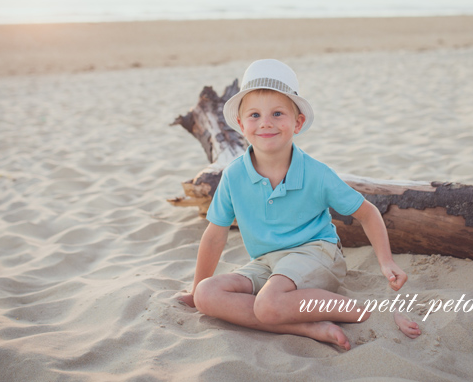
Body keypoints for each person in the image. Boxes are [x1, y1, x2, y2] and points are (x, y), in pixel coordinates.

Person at [178, 59, 421, 350]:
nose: (265, 122)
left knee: (268, 305)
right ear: (241, 125)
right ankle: (307, 327)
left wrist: (386, 261)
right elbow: (215, 235)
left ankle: (370, 312)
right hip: (266, 263)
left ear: (298, 122)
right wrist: (195, 290)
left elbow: (367, 212)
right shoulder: (233, 175)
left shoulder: (316, 173)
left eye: (277, 113)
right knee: (207, 294)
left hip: (316, 255)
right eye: (254, 115)